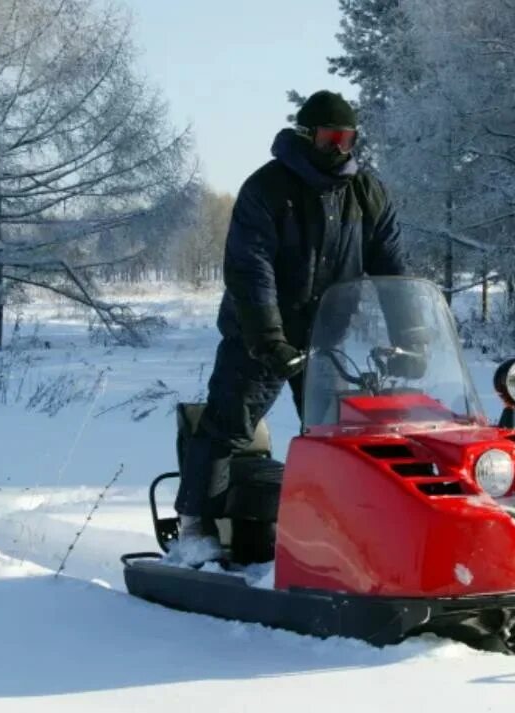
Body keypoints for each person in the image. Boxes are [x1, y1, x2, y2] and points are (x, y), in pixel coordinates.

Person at [170, 90, 412, 564]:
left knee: (334, 433)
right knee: (229, 426)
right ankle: (196, 527)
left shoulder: (366, 191)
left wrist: (412, 336)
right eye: (330, 138)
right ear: (307, 136)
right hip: (258, 334)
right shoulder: (267, 188)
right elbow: (250, 269)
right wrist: (268, 340)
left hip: (327, 336)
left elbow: (392, 267)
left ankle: (334, 531)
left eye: (348, 138)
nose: (340, 148)